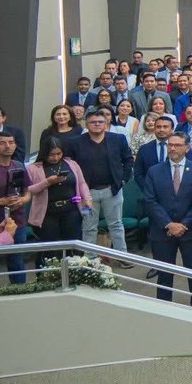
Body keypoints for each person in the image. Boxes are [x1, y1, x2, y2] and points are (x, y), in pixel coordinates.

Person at [143, 132, 192, 308]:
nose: (172, 148)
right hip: (162, 231)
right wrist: (169, 224)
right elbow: (150, 200)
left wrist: (184, 224)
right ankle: (164, 308)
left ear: (187, 148)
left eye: (177, 145)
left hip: (190, 231)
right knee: (164, 273)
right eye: (170, 144)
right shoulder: (154, 171)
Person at [66, 111, 134, 268]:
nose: (97, 124)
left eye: (100, 122)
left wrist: (123, 179)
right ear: (86, 124)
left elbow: (128, 160)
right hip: (86, 194)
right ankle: (89, 259)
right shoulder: (75, 142)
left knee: (116, 224)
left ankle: (122, 256)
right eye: (93, 122)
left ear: (106, 124)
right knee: (89, 226)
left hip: (113, 190)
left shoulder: (118, 139)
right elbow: (69, 165)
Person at [25, 137, 90, 263]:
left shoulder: (71, 164)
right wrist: (47, 182)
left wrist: (87, 198)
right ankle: (45, 276)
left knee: (74, 245)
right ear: (44, 153)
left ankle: (75, 273)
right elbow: (29, 190)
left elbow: (81, 183)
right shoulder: (34, 168)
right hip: (47, 212)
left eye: (59, 154)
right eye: (51, 155)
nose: (55, 158)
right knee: (49, 247)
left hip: (71, 209)